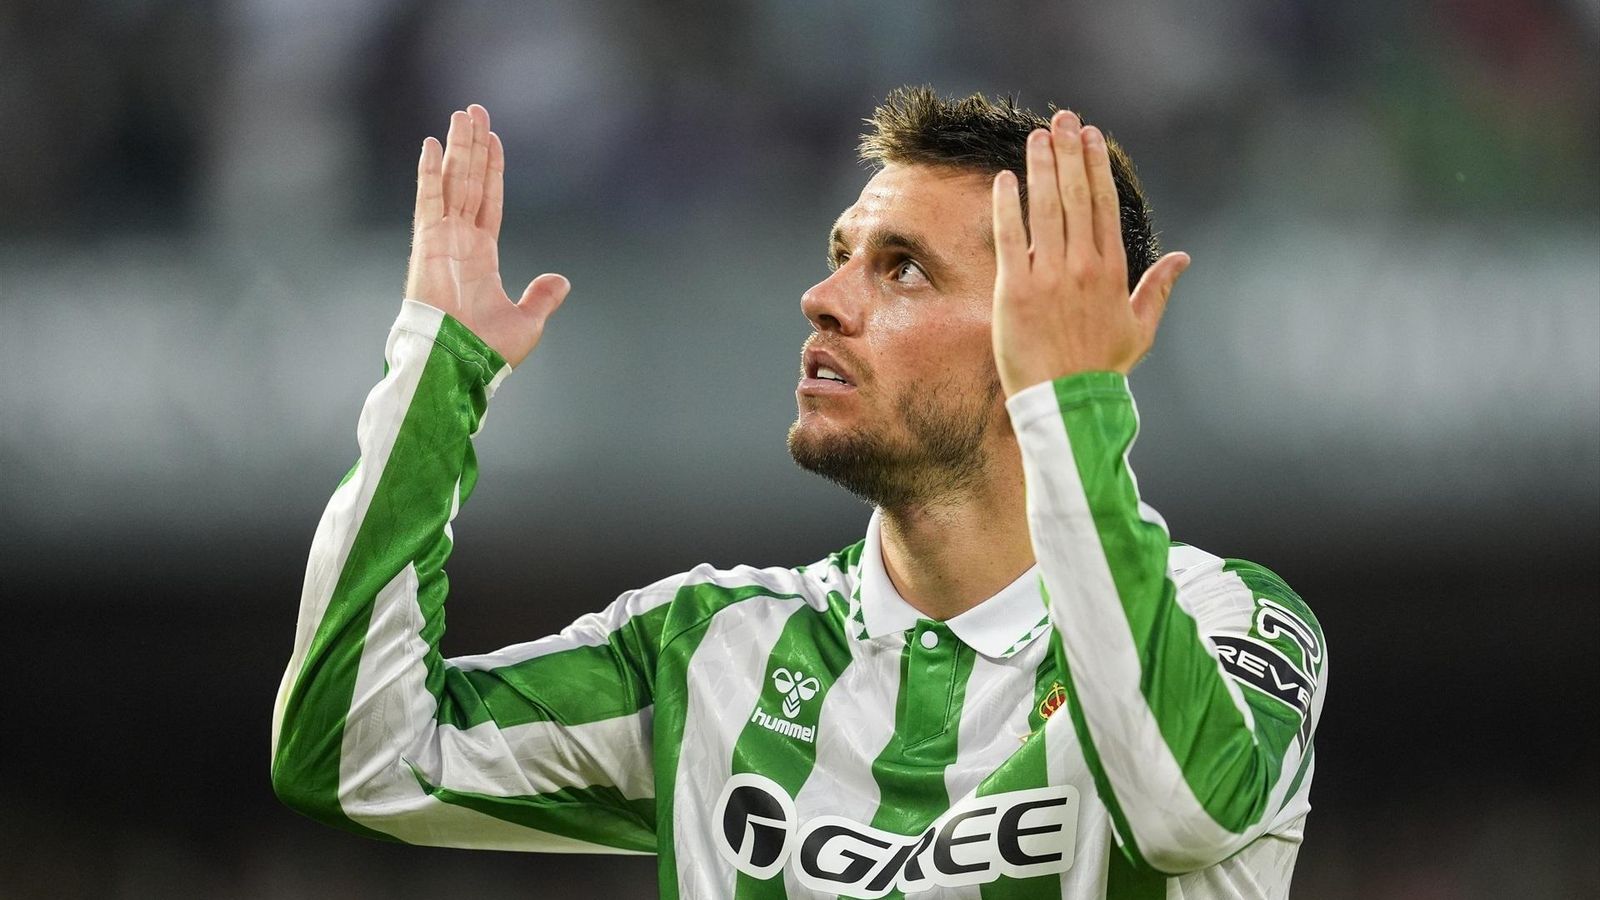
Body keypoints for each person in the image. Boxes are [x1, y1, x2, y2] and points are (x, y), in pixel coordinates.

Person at [271, 87, 1327, 899]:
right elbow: (355, 755)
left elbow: (1177, 813)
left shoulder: (1228, 619)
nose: (823, 299)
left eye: (901, 268)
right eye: (840, 256)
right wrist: (433, 372)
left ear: (1041, 333)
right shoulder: (708, 650)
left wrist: (1072, 403)